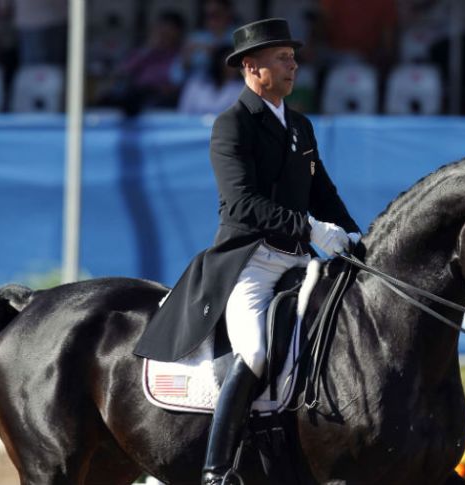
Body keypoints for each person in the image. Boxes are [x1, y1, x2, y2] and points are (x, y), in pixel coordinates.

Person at [133, 18, 362, 485]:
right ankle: (217, 469)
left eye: (293, 56)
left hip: (299, 262)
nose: (293, 63)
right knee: (256, 352)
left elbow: (324, 193)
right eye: (283, 57)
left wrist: (358, 238)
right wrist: (312, 229)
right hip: (250, 262)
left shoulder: (300, 125)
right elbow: (242, 204)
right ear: (252, 67)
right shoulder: (232, 125)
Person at [176, 44, 244, 114]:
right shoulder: (195, 84)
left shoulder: (242, 88)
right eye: (228, 63)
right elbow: (183, 113)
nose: (232, 69)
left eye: (236, 64)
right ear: (218, 63)